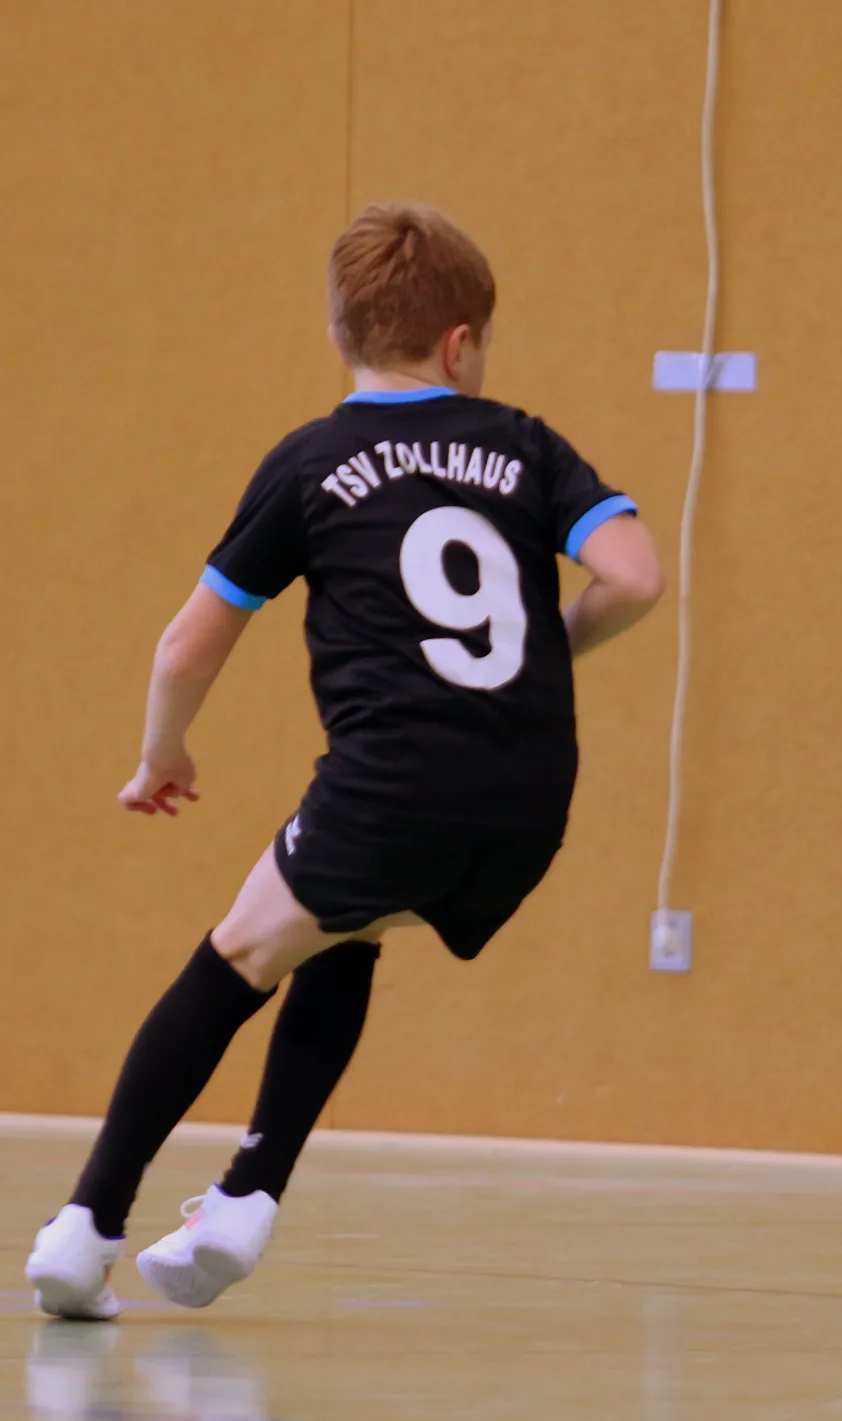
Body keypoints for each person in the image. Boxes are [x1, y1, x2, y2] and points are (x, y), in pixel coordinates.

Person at [23, 204, 664, 1320]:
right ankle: (244, 1198)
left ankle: (86, 1227)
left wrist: (161, 752)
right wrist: (543, 655)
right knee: (350, 927)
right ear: (460, 344)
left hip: (391, 784)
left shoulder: (312, 460)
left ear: (340, 337)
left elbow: (186, 646)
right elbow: (636, 575)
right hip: (526, 801)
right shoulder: (525, 443)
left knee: (233, 958)